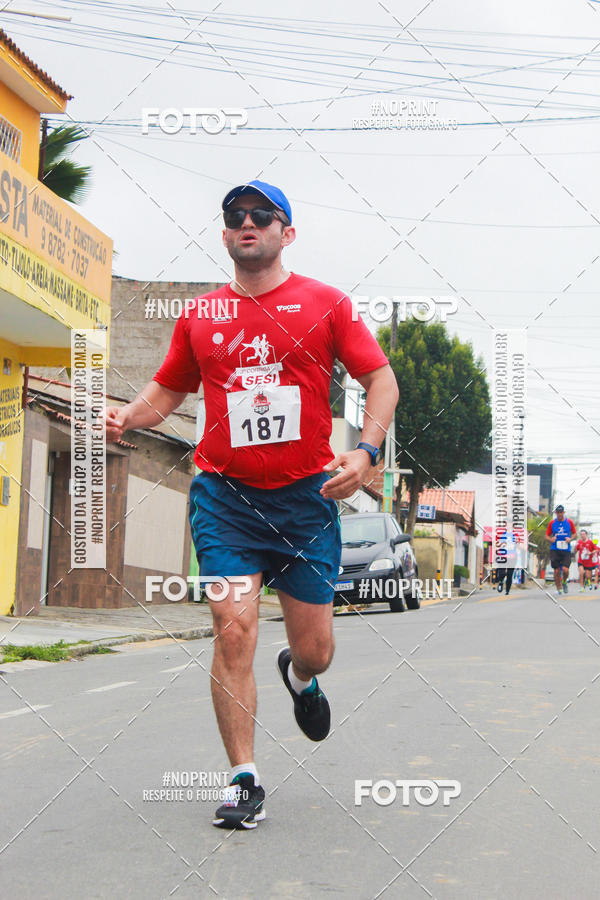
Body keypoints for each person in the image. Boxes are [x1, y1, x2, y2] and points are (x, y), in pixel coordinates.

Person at [104, 180, 399, 830]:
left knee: (316, 648)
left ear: (285, 233)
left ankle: (300, 677)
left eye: (262, 216)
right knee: (231, 627)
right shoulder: (201, 316)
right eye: (235, 215)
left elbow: (380, 377)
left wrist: (368, 451)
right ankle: (243, 778)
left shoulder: (326, 305)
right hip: (225, 498)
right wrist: (127, 415)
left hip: (305, 500)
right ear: (225, 232)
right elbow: (168, 391)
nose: (247, 223)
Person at [545, 505, 577, 597]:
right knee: (556, 571)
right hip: (555, 548)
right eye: (558, 512)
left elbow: (575, 534)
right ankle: (558, 588)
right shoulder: (552, 523)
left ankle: (564, 582)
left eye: (561, 512)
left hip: (566, 549)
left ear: (563, 512)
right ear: (556, 513)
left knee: (565, 570)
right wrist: (551, 539)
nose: (559, 514)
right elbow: (546, 535)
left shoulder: (569, 522)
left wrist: (570, 539)